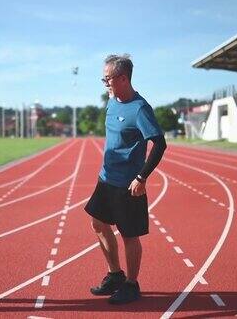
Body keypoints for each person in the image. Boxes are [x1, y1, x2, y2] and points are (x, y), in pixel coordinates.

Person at [85, 54, 166, 304]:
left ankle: (131, 285)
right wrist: (111, 92)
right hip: (106, 178)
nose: (105, 83)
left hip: (128, 185)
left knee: (129, 235)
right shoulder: (113, 99)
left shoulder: (140, 109)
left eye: (107, 78)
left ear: (122, 79)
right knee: (98, 223)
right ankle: (115, 275)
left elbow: (159, 143)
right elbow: (112, 98)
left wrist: (142, 177)